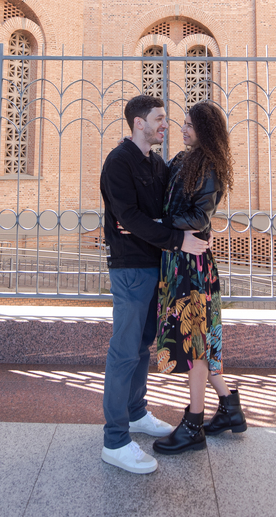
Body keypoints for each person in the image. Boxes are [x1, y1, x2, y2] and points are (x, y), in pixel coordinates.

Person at [98, 94, 207, 474]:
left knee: (143, 345)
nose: (166, 125)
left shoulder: (156, 163)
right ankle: (114, 440)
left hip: (155, 264)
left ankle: (136, 413)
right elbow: (127, 215)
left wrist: (158, 228)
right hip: (129, 267)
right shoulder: (118, 162)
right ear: (138, 122)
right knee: (124, 351)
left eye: (166, 119)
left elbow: (158, 215)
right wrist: (175, 238)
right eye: (159, 119)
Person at [152, 102, 246, 455]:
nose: (182, 128)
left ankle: (193, 423)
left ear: (205, 131)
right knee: (201, 343)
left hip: (190, 264)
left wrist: (159, 226)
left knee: (194, 345)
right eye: (183, 123)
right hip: (179, 258)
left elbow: (197, 217)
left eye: (189, 125)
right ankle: (229, 410)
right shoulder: (182, 160)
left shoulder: (209, 167)